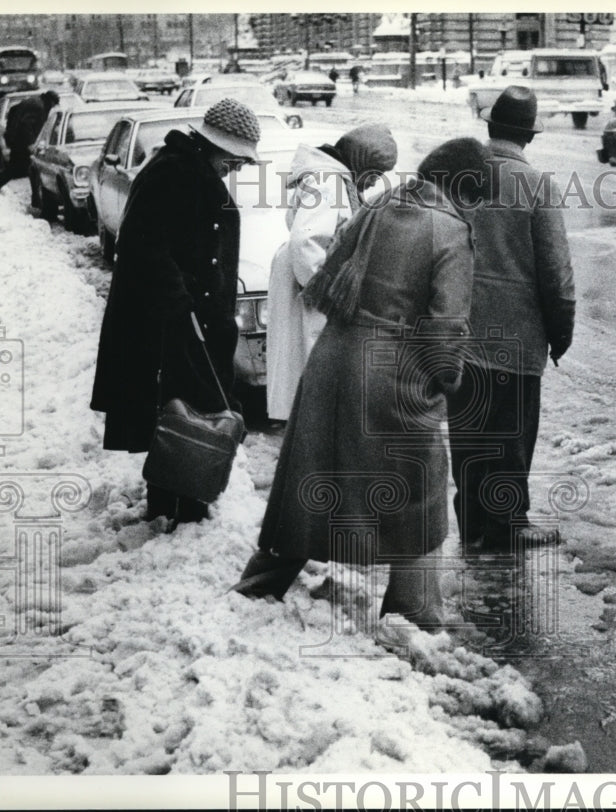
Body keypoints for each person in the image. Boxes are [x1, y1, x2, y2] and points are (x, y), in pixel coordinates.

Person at [233, 138, 493, 630]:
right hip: (393, 371)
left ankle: (257, 585)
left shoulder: (376, 205)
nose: (472, 209)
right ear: (463, 189)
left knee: (310, 477)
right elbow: (446, 328)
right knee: (420, 487)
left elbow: (326, 277)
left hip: (333, 357)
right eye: (474, 199)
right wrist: (447, 382)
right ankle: (415, 614)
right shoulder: (450, 231)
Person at [90, 98, 261, 525]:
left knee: (190, 412)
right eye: (234, 160)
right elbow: (144, 246)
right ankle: (178, 508)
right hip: (175, 326)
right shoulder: (173, 172)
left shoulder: (188, 168)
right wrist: (182, 300)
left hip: (192, 320)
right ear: (213, 146)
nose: (235, 169)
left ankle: (183, 504)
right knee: (181, 415)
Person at [446, 86, 575, 553]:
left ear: (490, 126)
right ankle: (508, 524)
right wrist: (560, 333)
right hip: (517, 338)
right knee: (510, 433)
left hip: (460, 331)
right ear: (530, 136)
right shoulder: (538, 186)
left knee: (467, 430)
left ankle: (471, 523)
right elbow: (556, 274)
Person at [266, 124, 398, 422]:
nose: (372, 183)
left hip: (308, 281)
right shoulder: (330, 182)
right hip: (312, 289)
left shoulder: (332, 178)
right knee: (312, 383)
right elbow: (306, 241)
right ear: (360, 161)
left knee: (309, 386)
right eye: (374, 174)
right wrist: (329, 296)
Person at [0, 89, 59, 192]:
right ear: (51, 101)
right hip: (22, 143)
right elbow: (26, 125)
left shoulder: (35, 101)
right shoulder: (39, 107)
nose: (53, 107)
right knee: (18, 170)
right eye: (54, 104)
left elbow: (13, 110)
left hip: (16, 140)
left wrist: (11, 130)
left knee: (18, 170)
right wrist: (30, 143)